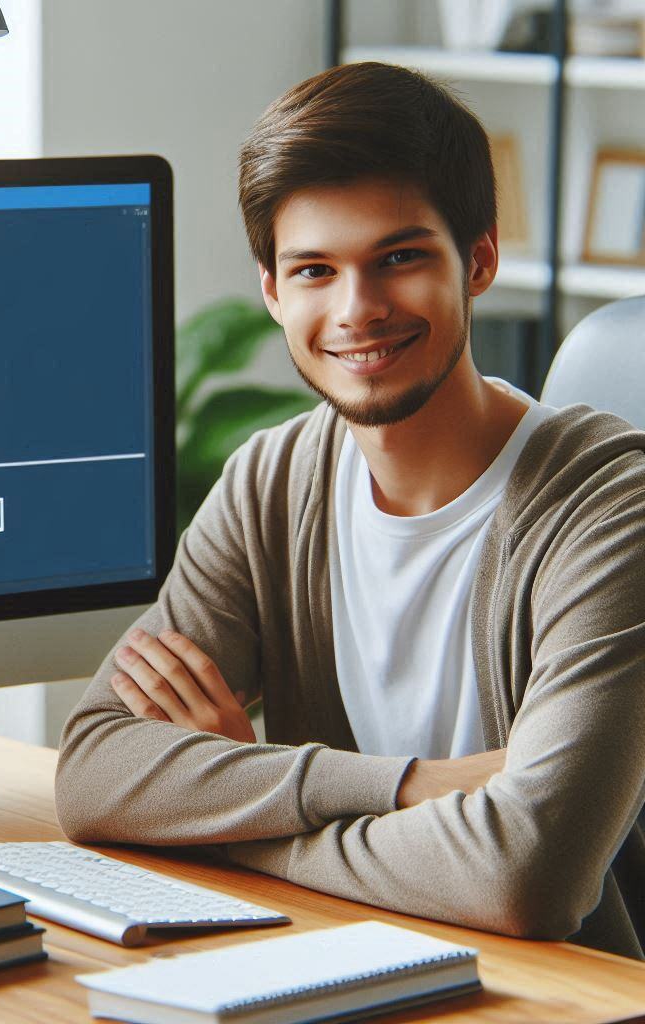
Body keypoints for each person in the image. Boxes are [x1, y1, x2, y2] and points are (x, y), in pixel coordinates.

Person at [54, 62, 645, 960]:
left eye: (399, 258)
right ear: (272, 291)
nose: (357, 310)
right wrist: (411, 787)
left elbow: (529, 873)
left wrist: (226, 811)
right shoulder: (271, 481)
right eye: (315, 270)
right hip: (340, 968)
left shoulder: (611, 508)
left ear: (478, 259)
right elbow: (97, 772)